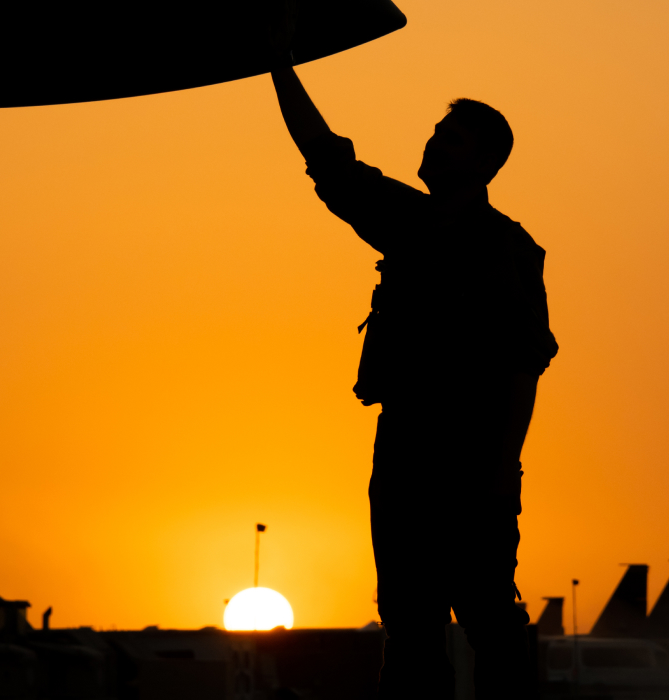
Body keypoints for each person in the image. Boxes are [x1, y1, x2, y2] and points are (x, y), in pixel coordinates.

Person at [268, 23, 557, 700]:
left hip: (472, 456)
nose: (432, 144)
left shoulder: (507, 252)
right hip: (403, 450)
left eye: (451, 139)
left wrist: (499, 469)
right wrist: (278, 67)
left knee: (488, 621)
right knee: (409, 626)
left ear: (486, 164)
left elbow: (523, 367)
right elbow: (328, 159)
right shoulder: (409, 223)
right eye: (434, 134)